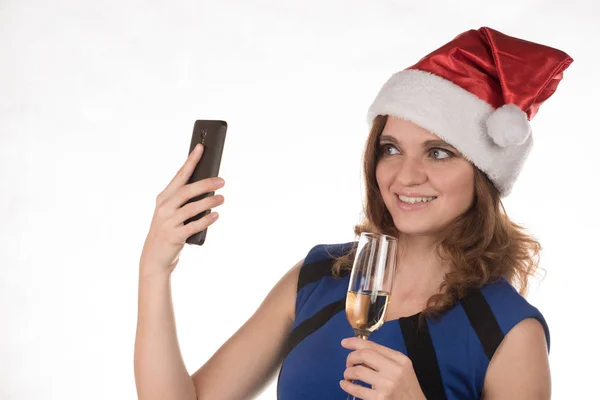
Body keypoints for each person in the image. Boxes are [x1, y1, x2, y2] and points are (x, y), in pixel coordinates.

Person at [134, 26, 573, 400]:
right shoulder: (318, 277)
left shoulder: (510, 332)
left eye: (439, 153)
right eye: (391, 149)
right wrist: (155, 267)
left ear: (483, 174)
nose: (406, 175)